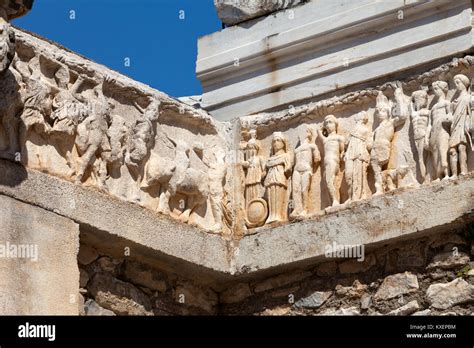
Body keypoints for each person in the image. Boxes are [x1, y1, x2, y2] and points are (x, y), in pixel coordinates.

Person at [264, 132, 293, 224]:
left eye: (278, 140)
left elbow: (289, 168)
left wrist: (287, 169)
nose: (276, 143)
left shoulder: (285, 156)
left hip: (280, 177)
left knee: (278, 195)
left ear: (283, 143)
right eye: (274, 141)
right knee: (271, 195)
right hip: (270, 178)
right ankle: (271, 215)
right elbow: (265, 170)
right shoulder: (270, 159)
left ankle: (279, 215)